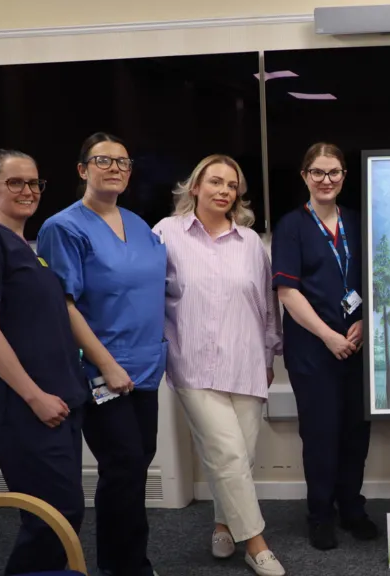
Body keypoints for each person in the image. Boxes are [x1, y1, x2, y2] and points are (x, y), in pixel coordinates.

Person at [36, 133, 168, 576]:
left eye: (123, 162)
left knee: (137, 465)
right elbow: (63, 305)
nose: (115, 168)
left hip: (145, 367)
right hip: (100, 371)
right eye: (103, 160)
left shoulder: (140, 225)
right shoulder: (64, 228)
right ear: (82, 169)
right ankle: (124, 567)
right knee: (123, 465)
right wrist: (107, 364)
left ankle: (128, 562)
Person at [151, 155, 285, 576]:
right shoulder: (165, 233)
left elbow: (267, 306)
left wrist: (269, 355)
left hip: (246, 363)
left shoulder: (251, 243)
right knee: (226, 453)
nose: (224, 190)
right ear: (195, 187)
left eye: (231, 185)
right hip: (192, 364)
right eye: (215, 182)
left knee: (239, 457)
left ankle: (224, 524)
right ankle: (256, 544)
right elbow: (149, 296)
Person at [0, 150, 88, 575]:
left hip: (60, 400)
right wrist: (34, 396)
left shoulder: (29, 250)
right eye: (15, 182)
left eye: (34, 182)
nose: (28, 190)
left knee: (62, 513)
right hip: (23, 403)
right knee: (53, 515)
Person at [271, 142, 377, 550]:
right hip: (313, 350)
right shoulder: (291, 226)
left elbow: (375, 279)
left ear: (344, 177)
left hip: (358, 347)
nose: (326, 179)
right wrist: (329, 336)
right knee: (320, 435)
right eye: (317, 172)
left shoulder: (358, 221)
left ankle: (352, 509)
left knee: (355, 434)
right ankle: (320, 515)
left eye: (334, 172)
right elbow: (287, 292)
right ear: (305, 176)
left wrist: (364, 322)